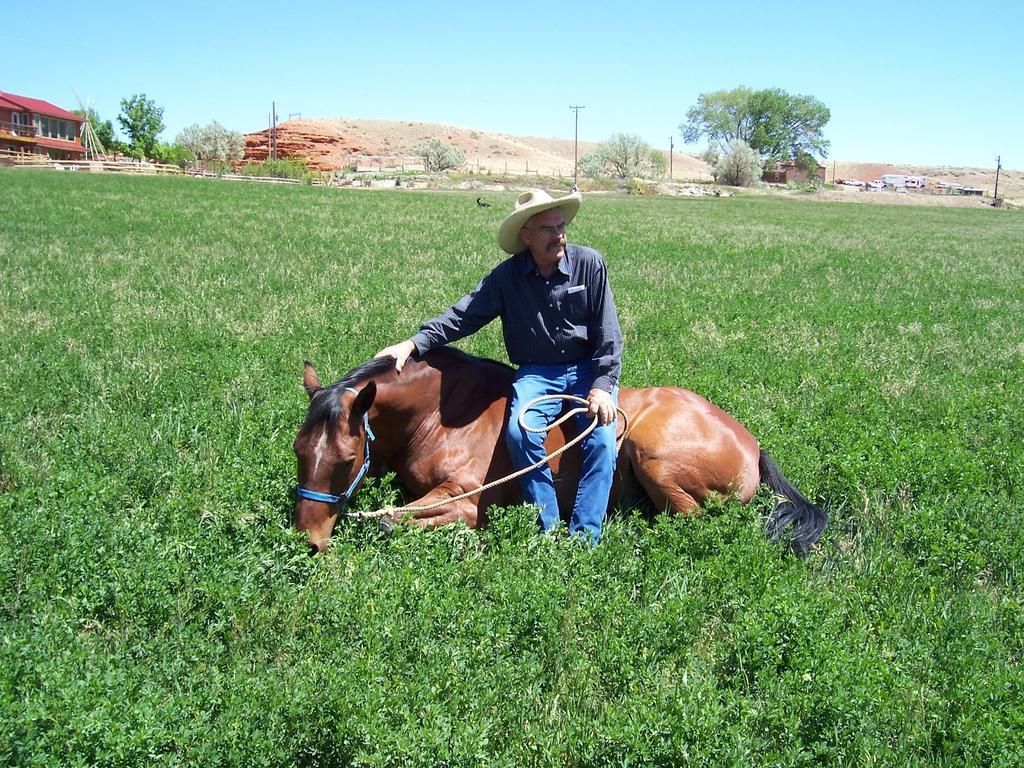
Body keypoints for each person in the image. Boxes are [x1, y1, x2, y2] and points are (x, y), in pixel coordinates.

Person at [375, 189, 623, 543]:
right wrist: (414, 343)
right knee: (521, 433)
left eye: (562, 225)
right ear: (526, 235)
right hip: (537, 373)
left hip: (587, 370)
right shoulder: (507, 278)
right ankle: (547, 527)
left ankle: (585, 537)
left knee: (601, 440)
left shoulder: (589, 263)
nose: (559, 235)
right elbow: (464, 315)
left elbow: (608, 331)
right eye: (548, 229)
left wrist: (602, 384)